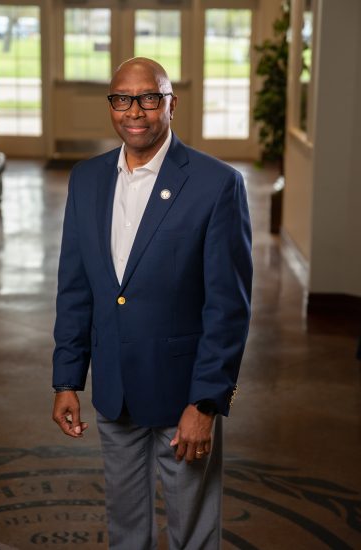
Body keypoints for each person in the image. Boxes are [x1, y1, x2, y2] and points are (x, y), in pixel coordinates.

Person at [52, 57, 252, 550]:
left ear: (170, 103)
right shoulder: (87, 180)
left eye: (148, 97)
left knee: (193, 535)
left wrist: (206, 403)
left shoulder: (216, 184)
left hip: (182, 399)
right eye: (122, 99)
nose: (134, 111)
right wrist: (66, 378)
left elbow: (228, 308)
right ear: (111, 106)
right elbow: (76, 289)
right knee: (126, 531)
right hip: (115, 392)